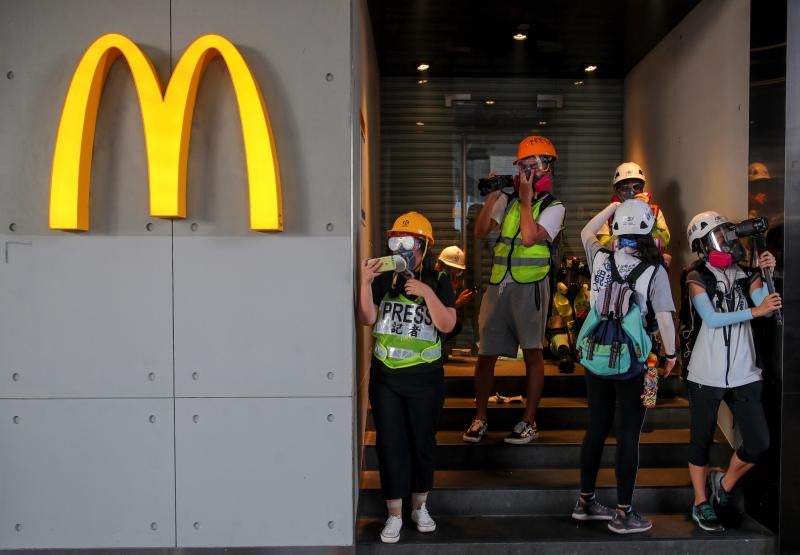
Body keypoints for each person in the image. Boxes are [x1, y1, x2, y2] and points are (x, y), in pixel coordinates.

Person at [571, 199, 677, 534]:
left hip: (596, 357)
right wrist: (671, 354)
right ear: (648, 229)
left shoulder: (600, 257)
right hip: (636, 362)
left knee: (596, 428)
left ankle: (585, 502)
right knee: (629, 436)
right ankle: (623, 513)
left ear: (616, 227)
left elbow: (586, 231)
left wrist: (610, 207)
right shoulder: (654, 271)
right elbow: (664, 319)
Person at [358, 211, 456, 544]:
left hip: (426, 379)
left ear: (424, 246)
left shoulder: (439, 278)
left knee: (422, 443)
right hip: (386, 378)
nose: (401, 249)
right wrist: (365, 283)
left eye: (409, 243)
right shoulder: (385, 276)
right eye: (395, 242)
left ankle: (420, 507)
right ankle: (394, 515)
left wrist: (426, 292)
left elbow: (447, 325)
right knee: (390, 445)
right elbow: (366, 317)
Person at [462, 135, 565, 445]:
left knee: (533, 354)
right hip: (499, 285)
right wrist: (495, 195)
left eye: (538, 165)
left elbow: (532, 237)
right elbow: (481, 231)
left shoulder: (554, 206)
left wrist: (525, 198)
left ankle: (528, 421)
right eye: (526, 166)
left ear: (548, 169)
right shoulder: (507, 201)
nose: (533, 172)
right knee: (485, 354)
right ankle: (480, 417)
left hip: (531, 287)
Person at [683, 211, 781, 533]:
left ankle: (722, 484)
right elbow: (710, 318)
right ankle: (700, 501)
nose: (727, 239)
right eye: (719, 235)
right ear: (703, 244)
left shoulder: (747, 274)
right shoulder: (696, 277)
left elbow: (766, 304)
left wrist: (768, 272)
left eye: (728, 232)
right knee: (700, 441)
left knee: (759, 442)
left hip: (744, 372)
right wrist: (756, 310)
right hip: (704, 373)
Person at [597, 162, 671, 261]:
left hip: (647, 264)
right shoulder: (609, 214)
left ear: (642, 187)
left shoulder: (654, 211)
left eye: (636, 187)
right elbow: (603, 246)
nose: (631, 192)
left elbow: (663, 241)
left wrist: (647, 214)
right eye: (625, 188)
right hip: (619, 266)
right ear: (617, 191)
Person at [435, 245, 476, 345]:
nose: (453, 274)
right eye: (450, 270)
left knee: (456, 325)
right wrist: (458, 302)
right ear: (440, 265)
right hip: (425, 325)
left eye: (457, 271)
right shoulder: (434, 279)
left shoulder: (444, 280)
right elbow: (437, 313)